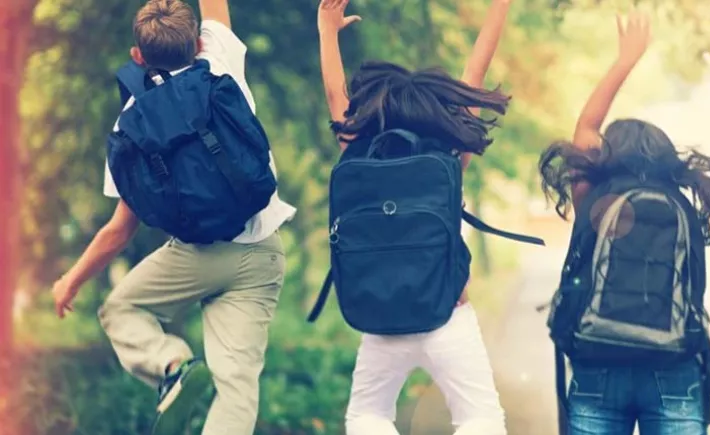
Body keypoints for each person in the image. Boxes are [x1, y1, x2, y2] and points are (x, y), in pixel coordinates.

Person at [50, 0, 295, 433]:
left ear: (137, 56)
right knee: (236, 388)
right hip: (261, 250)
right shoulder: (220, 64)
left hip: (195, 254)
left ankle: (173, 364)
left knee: (120, 309)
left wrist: (71, 280)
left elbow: (120, 229)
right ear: (198, 41)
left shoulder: (130, 123)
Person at [316, 1, 514, 434]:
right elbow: (475, 74)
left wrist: (327, 32)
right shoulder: (447, 156)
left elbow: (335, 96)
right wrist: (499, 9)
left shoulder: (358, 152)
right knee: (480, 417)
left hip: (381, 322)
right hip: (448, 313)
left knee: (367, 416)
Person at [539, 11, 710, 434]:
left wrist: (626, 59)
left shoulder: (594, 194)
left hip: (598, 365)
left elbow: (586, 127)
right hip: (674, 367)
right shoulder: (682, 201)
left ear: (608, 154)